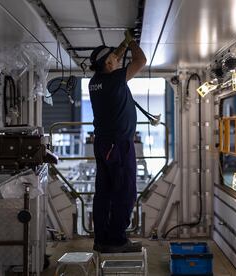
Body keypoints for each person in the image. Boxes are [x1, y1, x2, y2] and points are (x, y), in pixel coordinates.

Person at [88, 30, 147, 253]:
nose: (118, 58)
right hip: (118, 145)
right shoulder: (114, 79)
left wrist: (123, 45)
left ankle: (102, 239)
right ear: (108, 63)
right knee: (125, 191)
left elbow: (114, 59)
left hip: (104, 143)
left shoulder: (95, 82)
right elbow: (141, 61)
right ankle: (116, 240)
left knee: (104, 191)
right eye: (114, 57)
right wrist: (131, 42)